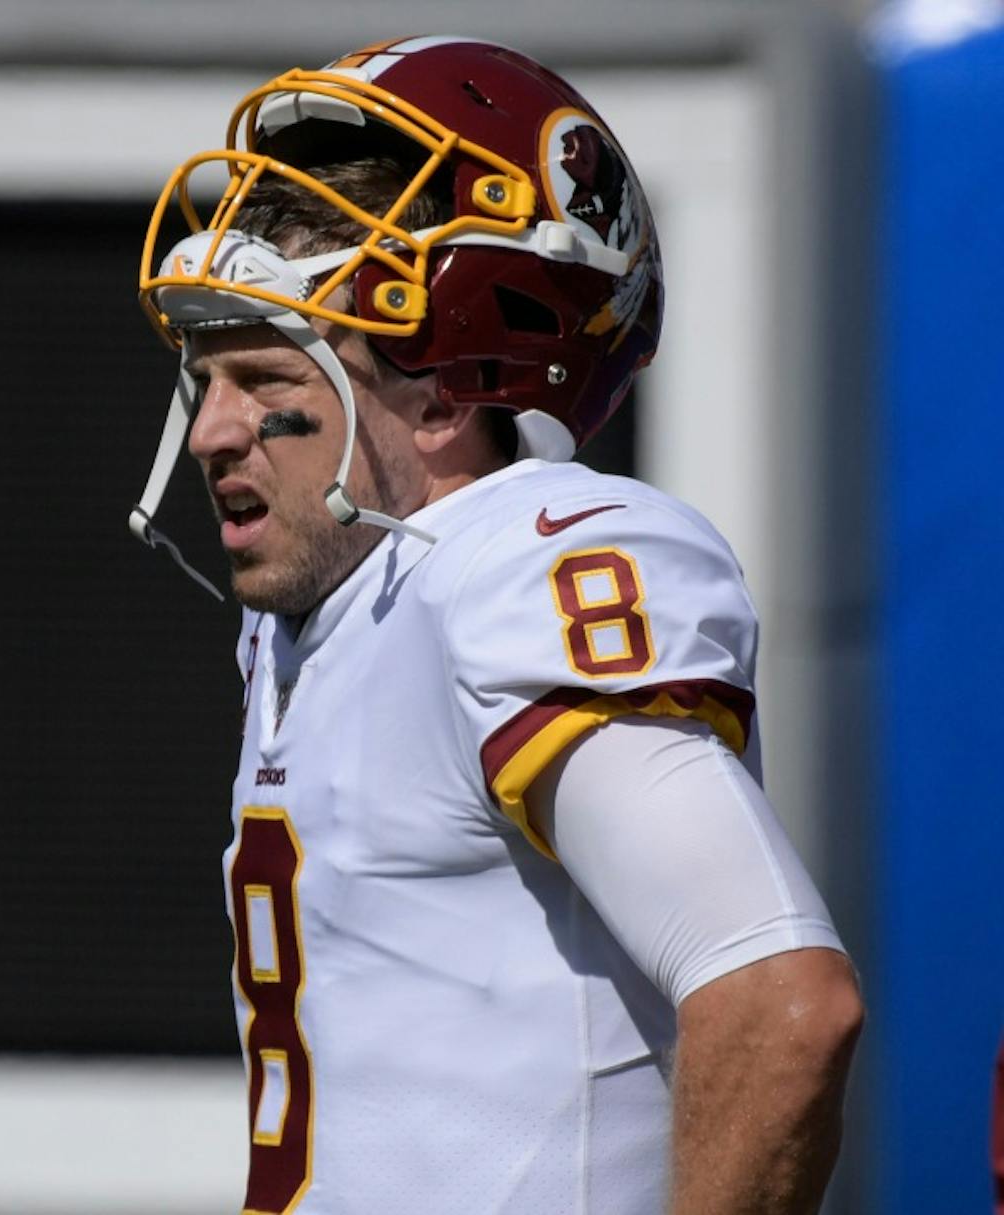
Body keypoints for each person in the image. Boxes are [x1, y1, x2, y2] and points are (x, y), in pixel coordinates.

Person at [126, 37, 862, 1214]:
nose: (214, 432)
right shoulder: (323, 613)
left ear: (447, 392)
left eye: (270, 383)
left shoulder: (523, 564)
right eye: (203, 377)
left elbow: (781, 1004)